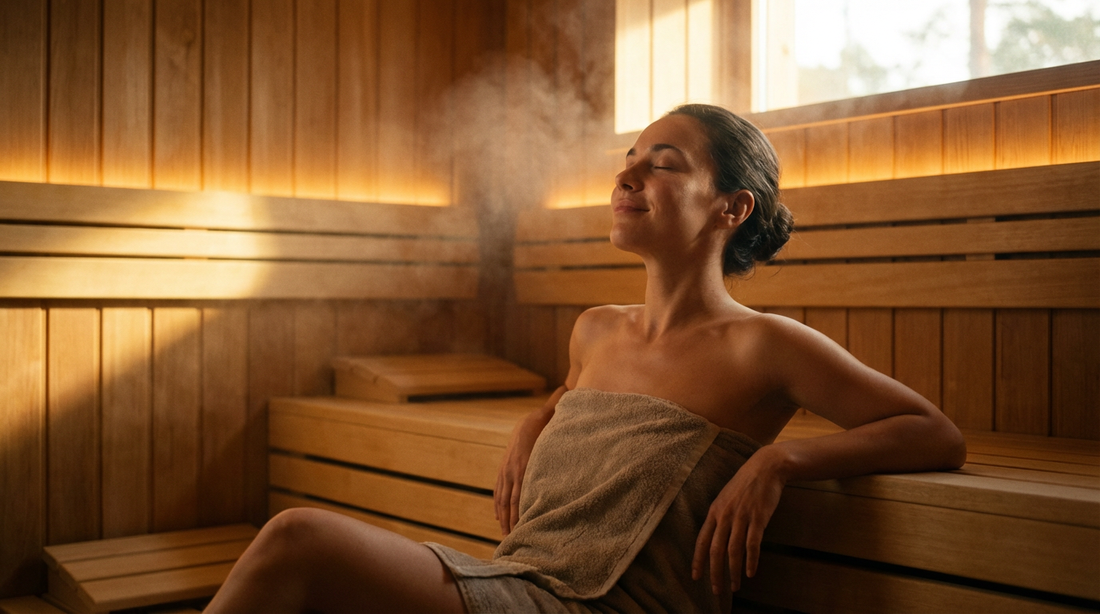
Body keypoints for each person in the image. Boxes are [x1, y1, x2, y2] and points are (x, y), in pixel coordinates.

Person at [204, 104, 966, 614]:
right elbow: (579, 391)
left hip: (596, 606)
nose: (627, 176)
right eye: (627, 160)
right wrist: (540, 416)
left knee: (297, 539)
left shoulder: (764, 345)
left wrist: (780, 463)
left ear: (732, 209)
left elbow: (932, 431)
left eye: (662, 165)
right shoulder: (596, 330)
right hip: (520, 578)